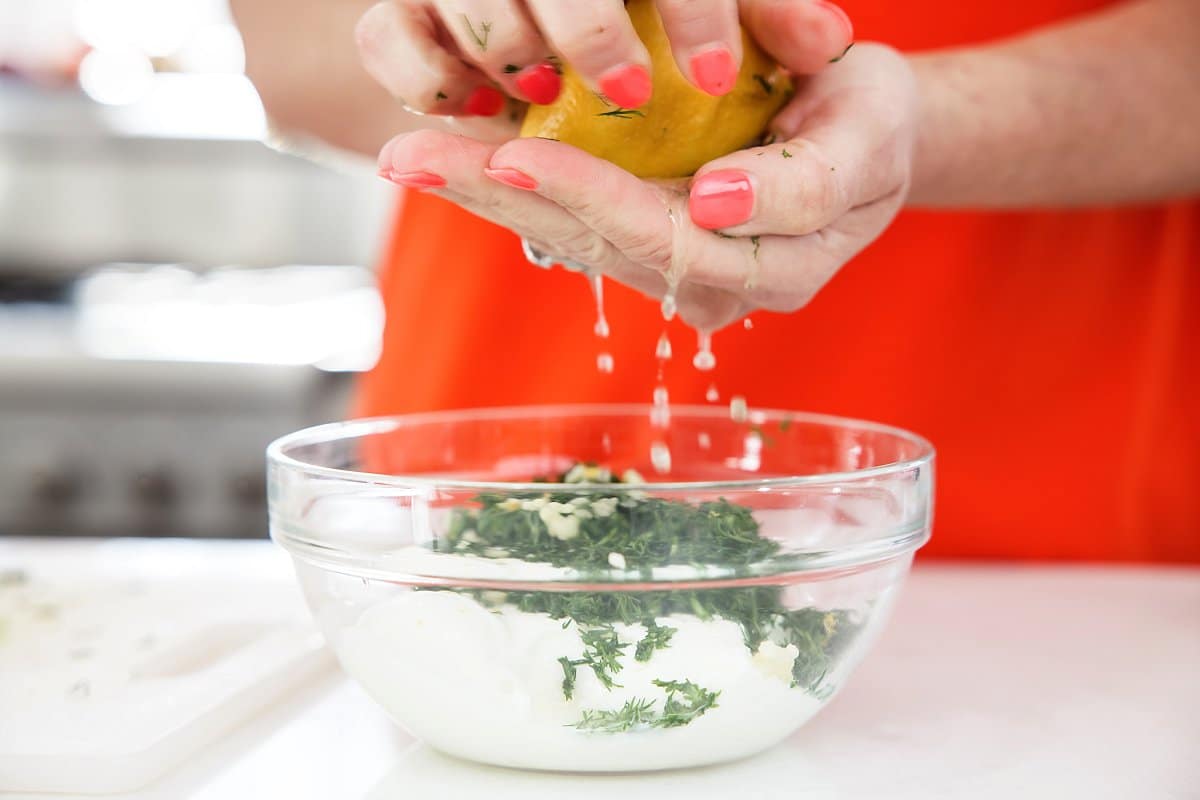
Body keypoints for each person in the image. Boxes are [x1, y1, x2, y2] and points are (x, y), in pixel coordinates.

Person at [230, 0, 1200, 563]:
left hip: (1073, 546)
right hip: (478, 508)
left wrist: (925, 120)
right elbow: (283, 54)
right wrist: (446, 40)